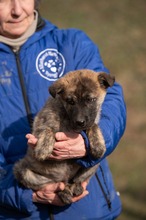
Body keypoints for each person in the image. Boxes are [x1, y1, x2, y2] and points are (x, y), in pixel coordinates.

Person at [0, 0, 126, 219]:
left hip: (88, 208)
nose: (17, 10)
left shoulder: (72, 42)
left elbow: (112, 98)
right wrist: (24, 194)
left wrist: (88, 142)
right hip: (19, 210)